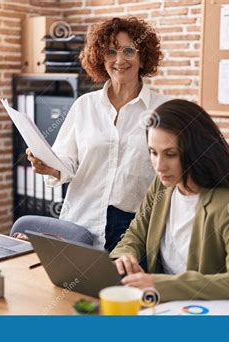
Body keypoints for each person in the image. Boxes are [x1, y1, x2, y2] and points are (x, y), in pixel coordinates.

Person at [26, 17, 168, 250]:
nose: (119, 60)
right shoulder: (84, 105)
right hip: (79, 224)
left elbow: (171, 175)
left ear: (143, 57)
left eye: (129, 51)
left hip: (133, 234)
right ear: (101, 58)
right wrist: (50, 166)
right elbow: (67, 161)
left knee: (125, 287)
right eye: (111, 52)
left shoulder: (163, 111)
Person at [110, 99, 229, 302]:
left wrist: (161, 284)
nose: (159, 166)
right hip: (162, 306)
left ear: (196, 150)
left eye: (171, 154)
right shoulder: (161, 188)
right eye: (153, 153)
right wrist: (125, 255)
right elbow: (135, 236)